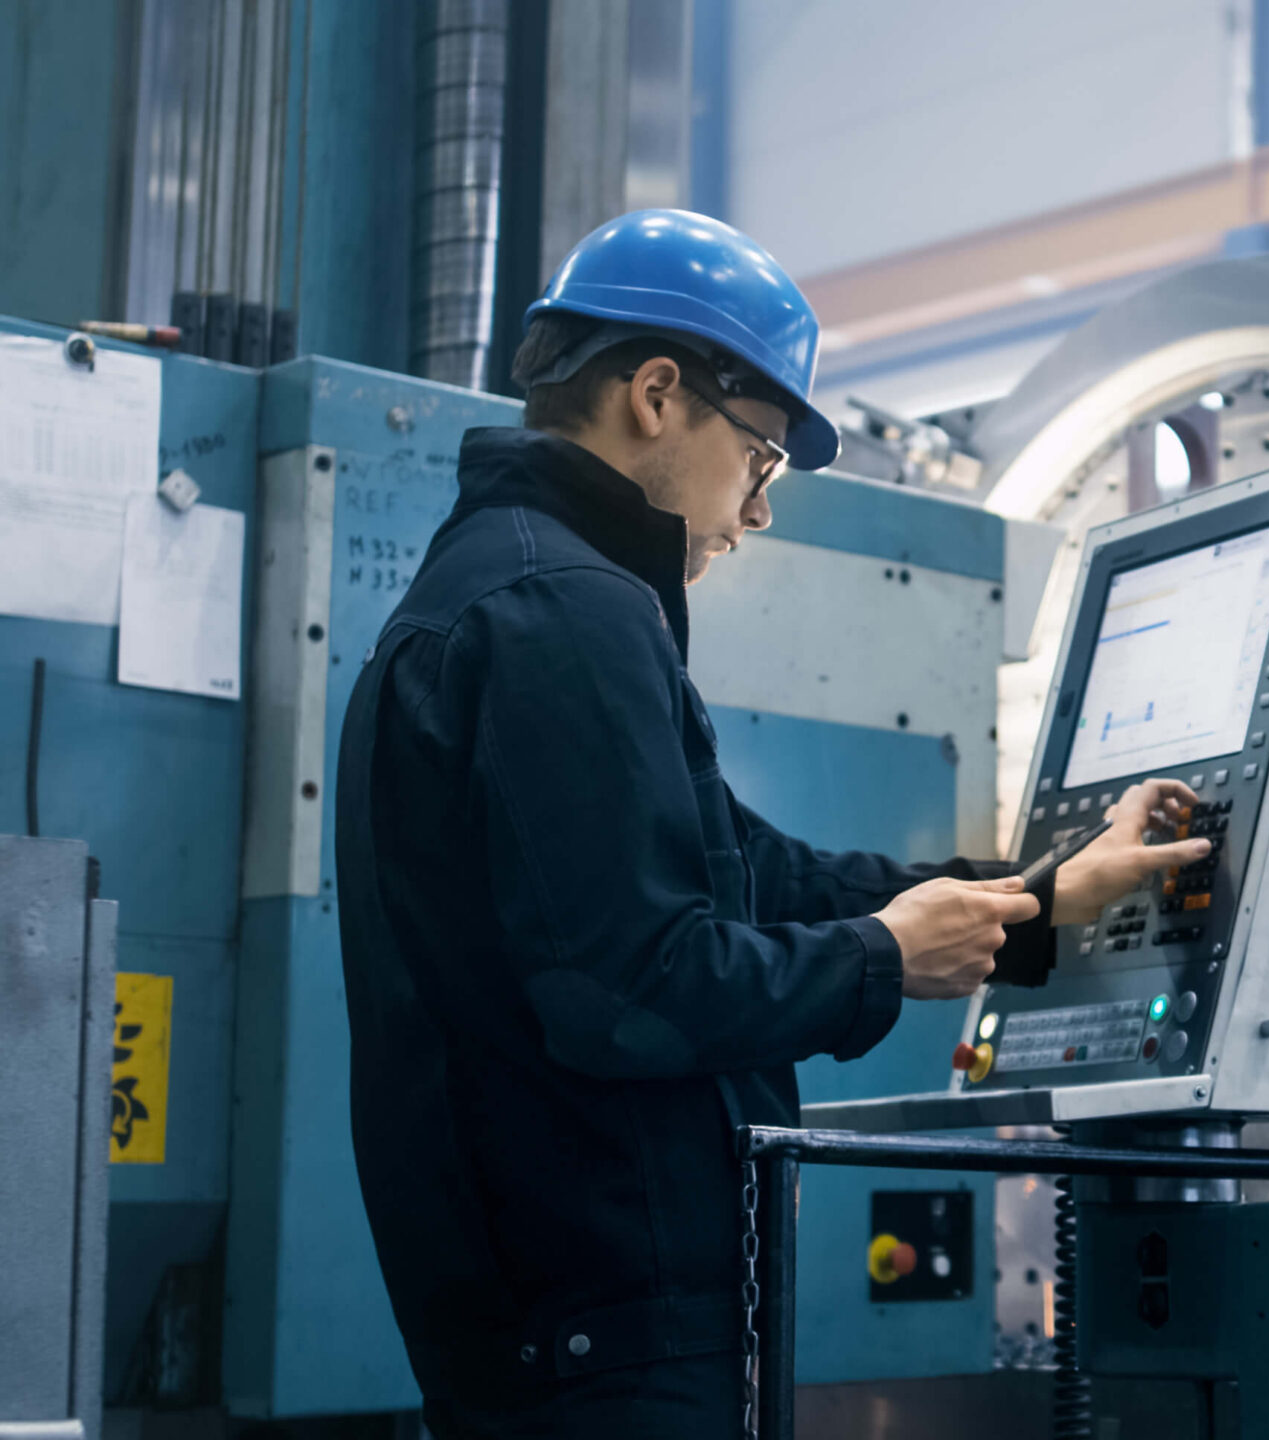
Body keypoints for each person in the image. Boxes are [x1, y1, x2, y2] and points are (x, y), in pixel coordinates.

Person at [333, 210, 1210, 1438]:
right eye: (759, 460)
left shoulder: (500, 589)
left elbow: (758, 873)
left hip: (559, 1330)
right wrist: (887, 962)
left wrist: (1040, 901)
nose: (757, 511)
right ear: (655, 395)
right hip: (611, 1340)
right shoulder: (566, 614)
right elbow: (635, 984)